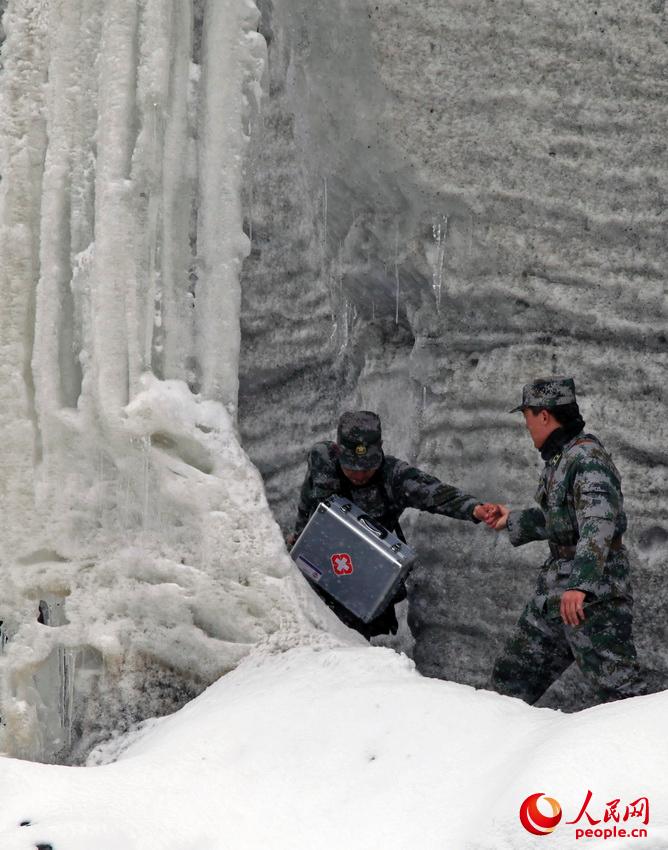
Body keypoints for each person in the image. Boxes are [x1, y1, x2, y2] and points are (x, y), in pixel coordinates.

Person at [486, 376, 647, 704]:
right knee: (511, 678)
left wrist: (581, 584)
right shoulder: (561, 458)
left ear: (544, 415)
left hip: (592, 598)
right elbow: (564, 520)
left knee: (624, 693)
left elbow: (598, 522)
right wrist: (512, 520)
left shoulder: (587, 459)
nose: (526, 425)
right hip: (557, 594)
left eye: (527, 415)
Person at [287, 410, 498, 639]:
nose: (359, 475)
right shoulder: (323, 460)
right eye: (352, 467)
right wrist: (298, 539)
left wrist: (475, 509)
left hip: (367, 587)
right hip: (316, 577)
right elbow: (308, 504)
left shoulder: (394, 477)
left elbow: (436, 494)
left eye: (367, 467)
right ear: (338, 451)